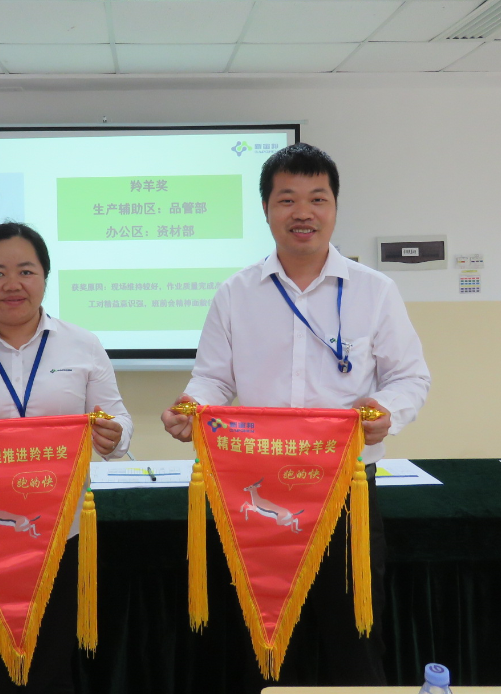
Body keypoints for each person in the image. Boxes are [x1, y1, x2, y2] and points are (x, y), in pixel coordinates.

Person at [161, 143, 430, 687]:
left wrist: (386, 412)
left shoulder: (375, 292)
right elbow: (213, 379)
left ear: (335, 208)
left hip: (346, 490)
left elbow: (410, 378)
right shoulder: (235, 294)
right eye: (287, 199)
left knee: (353, 639)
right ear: (266, 209)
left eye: (317, 199)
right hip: (259, 491)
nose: (302, 212)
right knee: (263, 639)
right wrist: (191, 406)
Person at [0, 222, 133, 694]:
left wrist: (115, 435)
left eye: (26, 270)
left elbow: (117, 420)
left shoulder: (83, 345)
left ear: (45, 277)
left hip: (60, 531)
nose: (12, 284)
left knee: (51, 667)